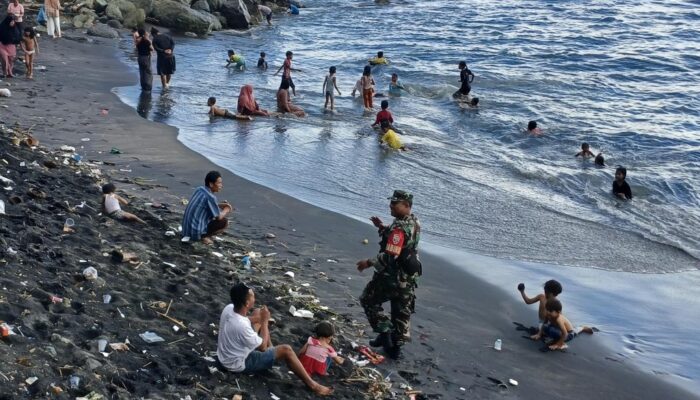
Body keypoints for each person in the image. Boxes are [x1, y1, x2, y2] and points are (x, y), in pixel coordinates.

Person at [217, 283, 333, 395]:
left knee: (258, 312)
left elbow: (244, 319)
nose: (254, 297)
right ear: (247, 303)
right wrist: (264, 321)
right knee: (286, 350)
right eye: (252, 296)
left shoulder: (230, 308)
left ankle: (271, 349)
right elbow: (262, 347)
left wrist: (258, 317)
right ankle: (313, 385)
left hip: (225, 355)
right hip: (237, 363)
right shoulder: (241, 326)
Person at [357, 190, 421, 359]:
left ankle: (384, 333)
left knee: (368, 300)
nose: (391, 206)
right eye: (391, 202)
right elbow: (402, 242)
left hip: (393, 277)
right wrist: (382, 227)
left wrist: (368, 263)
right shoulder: (413, 222)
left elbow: (391, 254)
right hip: (408, 276)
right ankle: (394, 349)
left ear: (406, 206)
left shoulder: (400, 227)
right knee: (400, 312)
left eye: (395, 203)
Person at [181, 171, 233, 244]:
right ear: (211, 184)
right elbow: (218, 217)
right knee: (224, 222)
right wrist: (227, 209)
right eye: (219, 183)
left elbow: (203, 205)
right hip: (194, 233)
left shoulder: (199, 189)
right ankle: (204, 237)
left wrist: (219, 205)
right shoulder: (211, 197)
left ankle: (203, 234)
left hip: (185, 230)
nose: (221, 185)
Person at [530, 298, 595, 351]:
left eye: (551, 311)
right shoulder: (548, 315)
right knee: (545, 327)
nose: (548, 312)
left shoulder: (559, 319)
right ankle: (554, 337)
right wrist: (539, 334)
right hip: (557, 329)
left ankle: (582, 328)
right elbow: (544, 324)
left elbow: (565, 334)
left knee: (574, 331)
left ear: (558, 312)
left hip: (568, 333)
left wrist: (558, 344)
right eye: (547, 309)